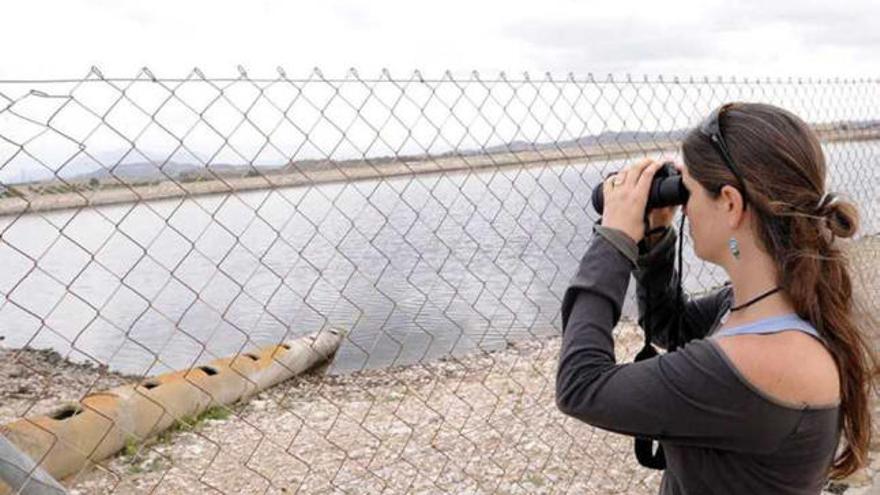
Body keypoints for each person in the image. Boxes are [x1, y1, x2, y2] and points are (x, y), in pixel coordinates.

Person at [556, 102, 879, 494]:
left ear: (730, 203)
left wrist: (615, 238)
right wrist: (656, 241)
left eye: (686, 190)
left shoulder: (764, 358)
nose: (684, 209)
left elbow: (581, 385)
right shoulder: (778, 305)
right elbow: (670, 326)